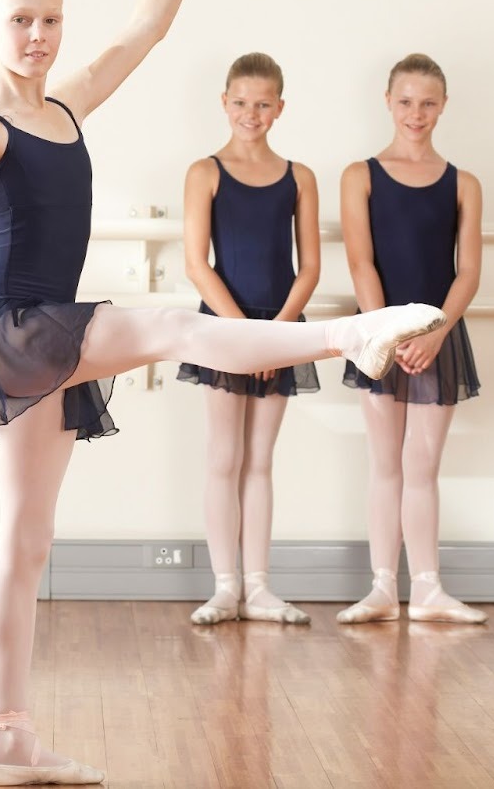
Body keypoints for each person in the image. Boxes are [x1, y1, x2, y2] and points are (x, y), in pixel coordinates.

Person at [0, 0, 444, 785]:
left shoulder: (69, 107)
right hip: (16, 326)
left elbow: (148, 28)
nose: (38, 36)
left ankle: (8, 739)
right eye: (20, 21)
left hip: (33, 342)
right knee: (175, 323)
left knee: (26, 542)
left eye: (50, 20)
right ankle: (347, 334)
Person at [338, 53, 486, 625]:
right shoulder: (360, 175)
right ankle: (381, 587)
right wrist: (386, 333)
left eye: (427, 103)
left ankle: (427, 587)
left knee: (423, 467)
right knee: (385, 464)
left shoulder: (463, 184)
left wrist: (434, 333)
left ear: (443, 106)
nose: (415, 113)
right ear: (388, 101)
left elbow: (467, 271)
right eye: (405, 101)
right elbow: (360, 260)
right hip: (379, 333)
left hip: (438, 339)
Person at [178, 52, 320, 627]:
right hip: (223, 326)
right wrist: (241, 335)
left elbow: (308, 268)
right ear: (225, 103)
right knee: (223, 457)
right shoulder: (204, 172)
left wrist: (275, 336)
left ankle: (259, 587)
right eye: (241, 102)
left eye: (263, 104)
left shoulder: (299, 177)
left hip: (281, 326)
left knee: (260, 460)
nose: (251, 113)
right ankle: (224, 587)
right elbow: (197, 264)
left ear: (280, 108)